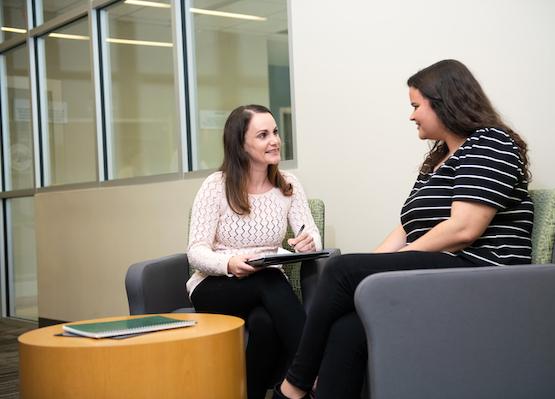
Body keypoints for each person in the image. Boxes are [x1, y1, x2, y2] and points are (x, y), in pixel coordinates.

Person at [274, 59, 534, 399]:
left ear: (443, 103)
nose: (411, 116)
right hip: (446, 270)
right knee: (346, 327)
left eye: (415, 106)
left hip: (482, 274)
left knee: (340, 267)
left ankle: (294, 385)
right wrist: (372, 268)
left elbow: (464, 228)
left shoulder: (490, 142)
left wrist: (371, 268)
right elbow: (405, 228)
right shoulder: (438, 158)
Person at [186, 104, 322, 399]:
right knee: (270, 279)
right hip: (216, 286)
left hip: (265, 288)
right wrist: (231, 262)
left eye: (274, 132)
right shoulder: (215, 186)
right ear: (241, 144)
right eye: (262, 135)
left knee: (265, 323)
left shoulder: (288, 184)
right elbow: (195, 251)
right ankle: (312, 373)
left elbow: (310, 233)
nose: (274, 140)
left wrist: (309, 241)